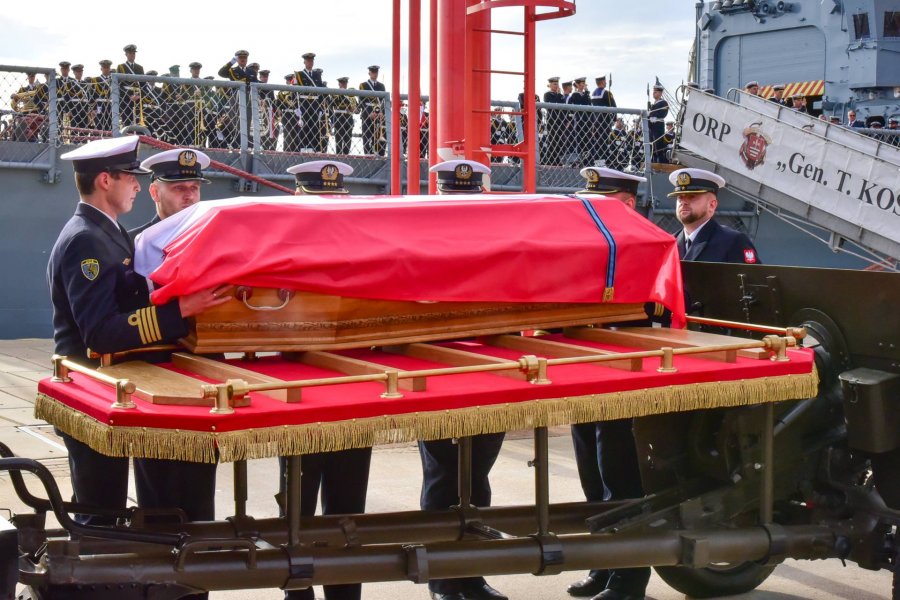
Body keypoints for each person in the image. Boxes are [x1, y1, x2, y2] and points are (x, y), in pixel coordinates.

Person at [48, 136, 228, 528]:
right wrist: (179, 311)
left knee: (111, 514)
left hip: (109, 386)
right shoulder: (87, 241)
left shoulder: (107, 234)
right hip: (91, 389)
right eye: (129, 176)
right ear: (105, 181)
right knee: (101, 519)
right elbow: (99, 333)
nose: (134, 184)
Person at [278, 160, 371, 600]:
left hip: (351, 394)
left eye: (335, 198)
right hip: (298, 396)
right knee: (296, 511)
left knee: (347, 511)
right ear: (299, 198)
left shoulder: (361, 248)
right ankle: (298, 594)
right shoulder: (278, 250)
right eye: (319, 198)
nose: (328, 206)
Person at [419, 159, 507, 600]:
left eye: (468, 197)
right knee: (442, 478)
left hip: (489, 375)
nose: (461, 205)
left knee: (477, 479)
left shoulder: (500, 246)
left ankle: (472, 576)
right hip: (437, 374)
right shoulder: (419, 245)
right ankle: (442, 581)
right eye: (453, 195)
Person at [567, 167, 651, 600]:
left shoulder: (649, 244)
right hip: (588, 378)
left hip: (625, 379)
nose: (593, 208)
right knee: (592, 482)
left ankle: (629, 578)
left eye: (604, 201)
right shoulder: (589, 246)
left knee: (622, 480)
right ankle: (602, 566)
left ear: (629, 203)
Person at [668, 168, 760, 264]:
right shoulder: (669, 244)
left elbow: (753, 278)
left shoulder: (733, 242)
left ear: (712, 205)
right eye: (680, 197)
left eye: (692, 196)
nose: (683, 202)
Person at [294, 53, 326, 151]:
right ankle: (303, 149)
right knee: (304, 126)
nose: (310, 62)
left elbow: (320, 91)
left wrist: (321, 108)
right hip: (304, 102)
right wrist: (296, 107)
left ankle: (312, 149)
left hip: (315, 103)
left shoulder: (317, 74)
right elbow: (294, 92)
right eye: (308, 60)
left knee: (315, 127)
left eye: (312, 61)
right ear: (304, 62)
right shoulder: (299, 74)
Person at [359, 65, 386, 156]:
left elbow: (383, 102)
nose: (375, 74)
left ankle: (377, 153)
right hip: (368, 114)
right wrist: (368, 113)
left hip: (378, 113)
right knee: (367, 135)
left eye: (376, 72)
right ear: (369, 73)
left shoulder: (381, 86)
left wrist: (382, 112)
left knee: (378, 135)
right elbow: (362, 102)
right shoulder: (363, 85)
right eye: (373, 72)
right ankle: (367, 154)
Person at [116, 44, 145, 128]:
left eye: (133, 53)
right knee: (127, 122)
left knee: (137, 122)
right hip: (126, 98)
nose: (132, 55)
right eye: (130, 53)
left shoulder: (139, 68)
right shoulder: (121, 67)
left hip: (137, 98)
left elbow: (143, 85)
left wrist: (139, 95)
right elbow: (119, 85)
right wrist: (129, 95)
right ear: (126, 54)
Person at [590, 74, 616, 164]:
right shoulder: (607, 93)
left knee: (596, 142)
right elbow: (613, 107)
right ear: (602, 82)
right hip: (604, 121)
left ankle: (596, 161)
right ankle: (602, 161)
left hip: (595, 121)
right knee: (604, 142)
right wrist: (613, 119)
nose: (606, 82)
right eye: (605, 81)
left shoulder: (593, 94)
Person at [566, 76, 591, 167]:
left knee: (586, 141)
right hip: (578, 120)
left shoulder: (586, 94)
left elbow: (589, 104)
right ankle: (578, 160)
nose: (584, 85)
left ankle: (586, 160)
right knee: (578, 141)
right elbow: (577, 105)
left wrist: (587, 92)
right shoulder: (575, 95)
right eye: (582, 84)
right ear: (577, 85)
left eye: (584, 83)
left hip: (586, 120)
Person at [543, 76, 567, 166]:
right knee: (552, 140)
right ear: (550, 85)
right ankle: (550, 160)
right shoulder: (547, 94)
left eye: (557, 84)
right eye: (554, 84)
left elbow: (564, 107)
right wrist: (558, 95)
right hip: (552, 120)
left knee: (560, 141)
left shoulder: (560, 96)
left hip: (560, 120)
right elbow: (550, 105)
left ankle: (557, 159)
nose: (556, 86)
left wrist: (559, 95)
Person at [330, 77, 357, 155]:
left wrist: (354, 110)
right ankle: (338, 155)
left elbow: (357, 110)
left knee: (347, 139)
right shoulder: (335, 94)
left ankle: (346, 155)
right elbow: (332, 104)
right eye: (342, 83)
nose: (343, 85)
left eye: (345, 83)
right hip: (338, 117)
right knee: (338, 139)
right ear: (339, 84)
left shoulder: (350, 94)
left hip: (348, 118)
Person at [89, 60, 114, 133]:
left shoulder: (113, 80)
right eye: (104, 67)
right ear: (101, 69)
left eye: (107, 67)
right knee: (99, 124)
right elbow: (92, 95)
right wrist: (93, 109)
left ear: (109, 69)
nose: (106, 69)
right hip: (99, 106)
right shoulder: (95, 80)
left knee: (110, 125)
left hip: (110, 105)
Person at [648, 84, 668, 163]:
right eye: (653, 92)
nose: (653, 93)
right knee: (652, 146)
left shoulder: (663, 103)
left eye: (655, 92)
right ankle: (653, 162)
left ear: (660, 93)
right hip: (652, 126)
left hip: (658, 125)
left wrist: (655, 117)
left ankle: (660, 163)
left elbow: (664, 113)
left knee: (658, 146)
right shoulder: (654, 104)